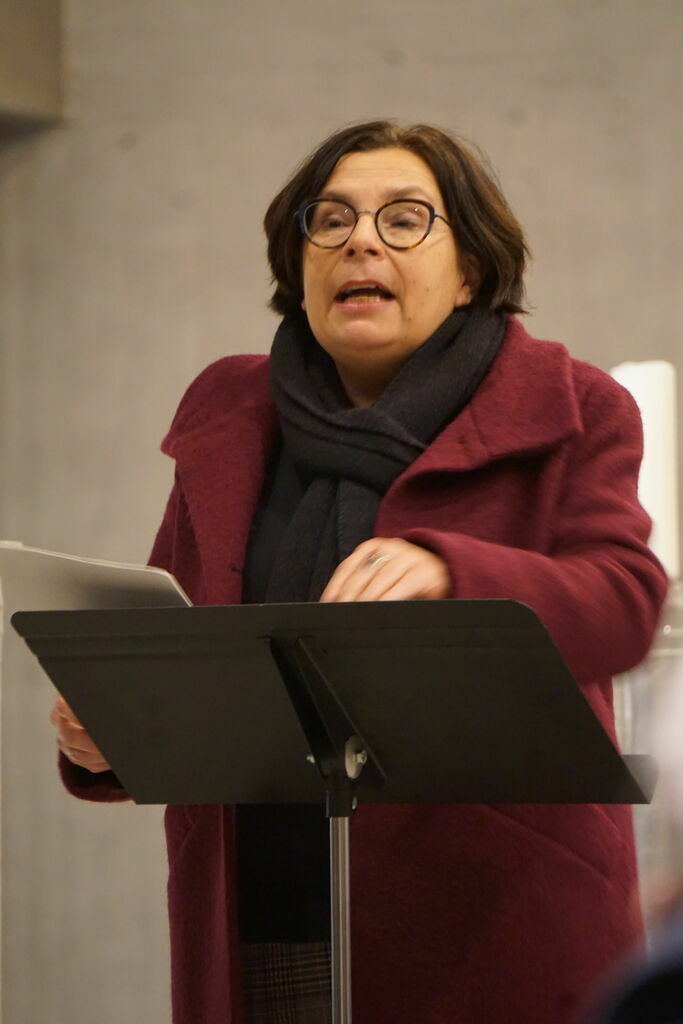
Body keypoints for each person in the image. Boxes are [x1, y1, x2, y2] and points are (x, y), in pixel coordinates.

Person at [50, 120, 668, 1024]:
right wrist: (111, 728)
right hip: (264, 913)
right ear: (297, 263)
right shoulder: (229, 415)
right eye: (330, 220)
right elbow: (171, 636)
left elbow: (623, 601)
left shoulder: (571, 407)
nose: (360, 242)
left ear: (470, 270)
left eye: (404, 219)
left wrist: (450, 570)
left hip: (491, 921)